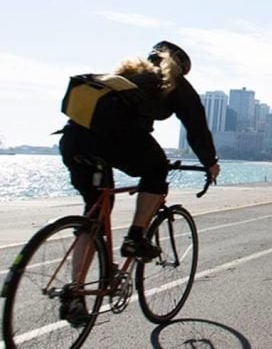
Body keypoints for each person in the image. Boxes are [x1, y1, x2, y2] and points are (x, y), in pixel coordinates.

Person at [57, 40, 221, 326]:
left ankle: (75, 294)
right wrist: (210, 162)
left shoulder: (124, 77)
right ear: (180, 66)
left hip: (73, 140)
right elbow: (196, 128)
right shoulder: (175, 82)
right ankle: (135, 238)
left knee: (94, 211)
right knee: (157, 169)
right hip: (114, 138)